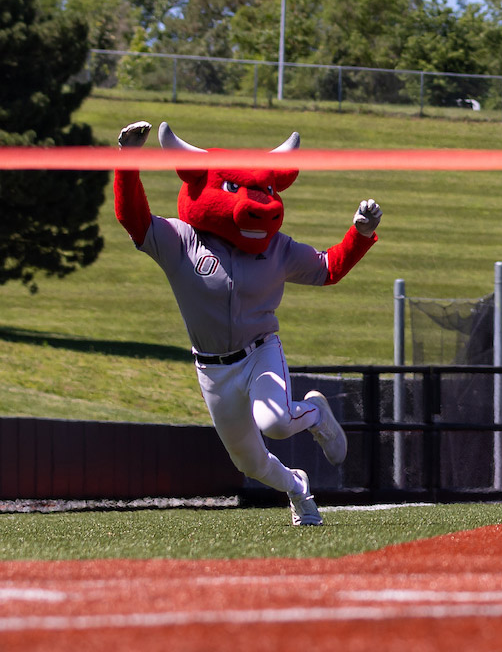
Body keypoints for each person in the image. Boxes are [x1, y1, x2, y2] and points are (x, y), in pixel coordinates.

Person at [113, 120, 383, 526]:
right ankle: (298, 488)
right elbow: (133, 217)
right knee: (251, 463)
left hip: (260, 352)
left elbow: (328, 268)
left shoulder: (276, 247)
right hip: (212, 369)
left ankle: (314, 413)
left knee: (274, 422)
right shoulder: (182, 240)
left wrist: (359, 234)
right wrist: (128, 160)